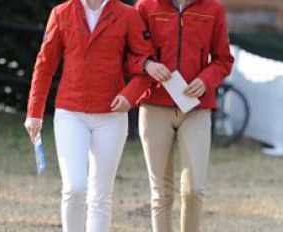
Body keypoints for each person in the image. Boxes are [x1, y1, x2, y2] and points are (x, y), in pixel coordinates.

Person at [24, 0, 167, 231]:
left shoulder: (128, 15)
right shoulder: (61, 13)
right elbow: (44, 65)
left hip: (111, 115)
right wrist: (34, 113)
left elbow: (146, 64)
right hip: (70, 111)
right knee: (75, 188)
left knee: (101, 195)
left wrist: (130, 96)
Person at [134, 0, 235, 231]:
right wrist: (147, 64)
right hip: (154, 106)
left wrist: (206, 80)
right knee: (161, 192)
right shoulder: (145, 6)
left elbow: (223, 59)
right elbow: (130, 52)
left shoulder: (213, 9)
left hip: (196, 110)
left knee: (194, 189)